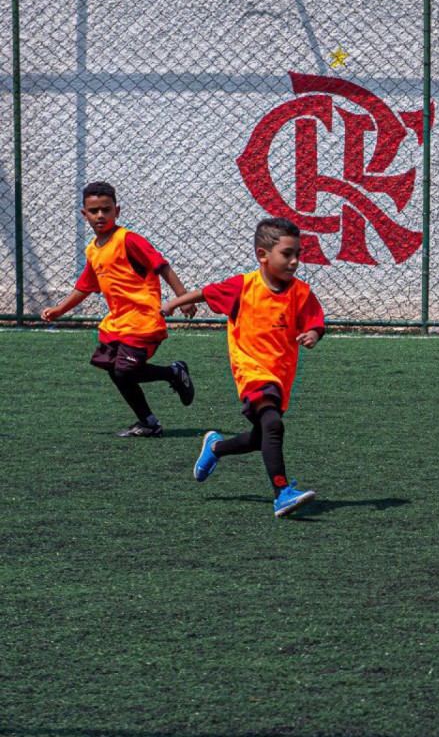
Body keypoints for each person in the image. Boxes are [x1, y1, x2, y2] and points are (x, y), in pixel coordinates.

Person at [161, 217, 325, 518]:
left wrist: (313, 334)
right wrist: (175, 303)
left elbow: (315, 320)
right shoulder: (243, 286)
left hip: (280, 375)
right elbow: (207, 292)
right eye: (287, 254)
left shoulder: (301, 292)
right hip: (250, 370)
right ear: (263, 255)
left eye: (298, 254)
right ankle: (282, 493)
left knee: (261, 437)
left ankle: (216, 448)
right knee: (273, 425)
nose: (294, 261)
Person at [40, 181, 197, 437]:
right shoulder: (93, 250)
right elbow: (85, 287)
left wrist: (183, 297)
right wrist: (60, 309)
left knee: (126, 370)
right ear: (84, 214)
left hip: (143, 320)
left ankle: (173, 372)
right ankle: (148, 423)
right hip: (118, 322)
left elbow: (162, 266)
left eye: (106, 209)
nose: (100, 215)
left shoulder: (129, 240)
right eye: (94, 211)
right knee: (115, 370)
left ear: (117, 211)